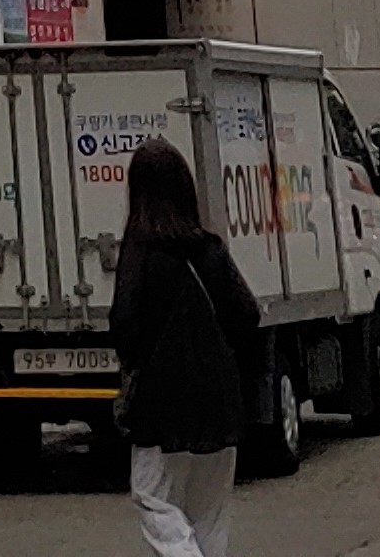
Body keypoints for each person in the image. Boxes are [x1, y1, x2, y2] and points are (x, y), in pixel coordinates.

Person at [109, 138, 264, 557]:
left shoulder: (141, 253)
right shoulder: (209, 250)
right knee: (209, 515)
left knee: (153, 497)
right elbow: (247, 315)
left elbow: (124, 323)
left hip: (160, 404)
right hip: (219, 399)